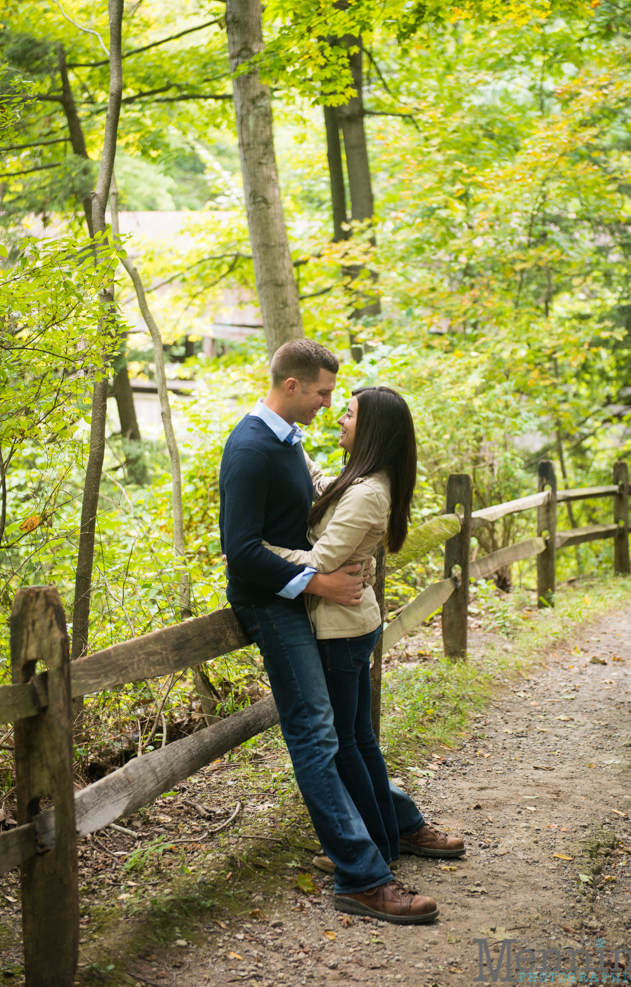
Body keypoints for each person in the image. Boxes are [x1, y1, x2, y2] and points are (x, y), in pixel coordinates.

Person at [219, 338, 464, 924]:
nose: (329, 405)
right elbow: (242, 552)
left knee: (341, 735)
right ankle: (361, 875)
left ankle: (387, 836)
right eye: (325, 393)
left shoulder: (288, 443)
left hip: (305, 603)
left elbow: (315, 516)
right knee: (320, 737)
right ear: (293, 386)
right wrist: (320, 584)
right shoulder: (251, 449)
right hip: (276, 606)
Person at [262, 386, 465, 879]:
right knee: (359, 740)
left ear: (370, 429)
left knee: (347, 744)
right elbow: (324, 485)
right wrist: (293, 442)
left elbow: (321, 563)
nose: (339, 419)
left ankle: (376, 847)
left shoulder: (370, 493)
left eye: (348, 415)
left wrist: (259, 553)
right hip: (352, 626)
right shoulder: (362, 481)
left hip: (340, 633)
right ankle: (389, 837)